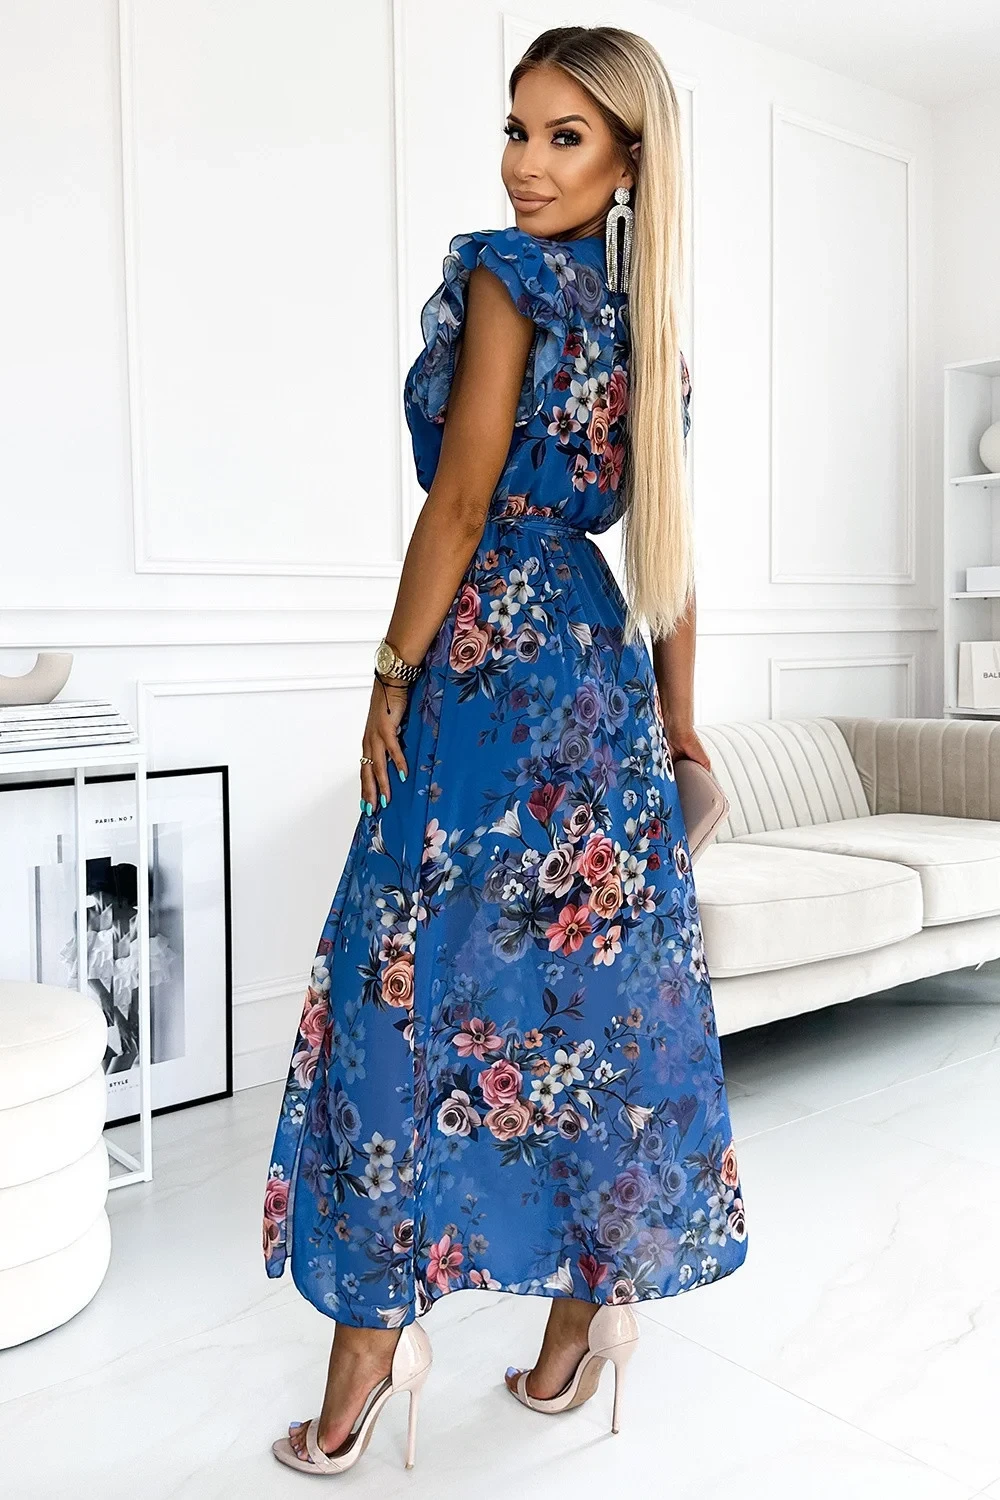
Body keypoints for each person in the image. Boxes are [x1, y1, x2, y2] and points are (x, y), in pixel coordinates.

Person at [264, 23, 749, 1476]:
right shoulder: (650, 331)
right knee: (592, 1008)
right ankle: (575, 1331)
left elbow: (464, 499)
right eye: (516, 129)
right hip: (598, 679)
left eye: (563, 137)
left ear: (628, 162)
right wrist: (674, 726)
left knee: (399, 984)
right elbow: (670, 555)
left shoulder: (507, 276)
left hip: (485, 667)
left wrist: (389, 670)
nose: (524, 164)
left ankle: (365, 1355)